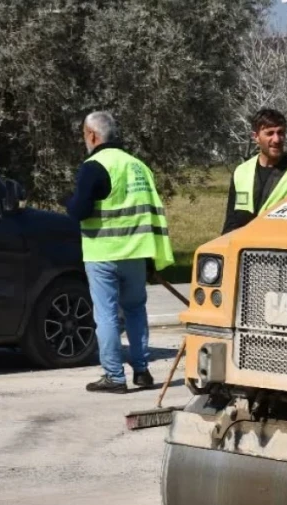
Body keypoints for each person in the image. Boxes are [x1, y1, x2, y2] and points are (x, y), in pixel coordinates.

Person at [63, 111, 175, 393]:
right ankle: (141, 370)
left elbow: (80, 210)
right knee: (136, 310)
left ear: (92, 135)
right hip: (136, 253)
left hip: (103, 252)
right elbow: (149, 213)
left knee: (107, 315)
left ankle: (114, 375)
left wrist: (68, 201)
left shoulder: (94, 166)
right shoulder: (139, 167)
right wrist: (152, 257)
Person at [221, 108, 287, 234]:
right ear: (256, 137)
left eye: (280, 133)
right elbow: (230, 224)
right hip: (243, 250)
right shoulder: (241, 172)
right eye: (270, 133)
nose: (276, 139)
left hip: (277, 251)